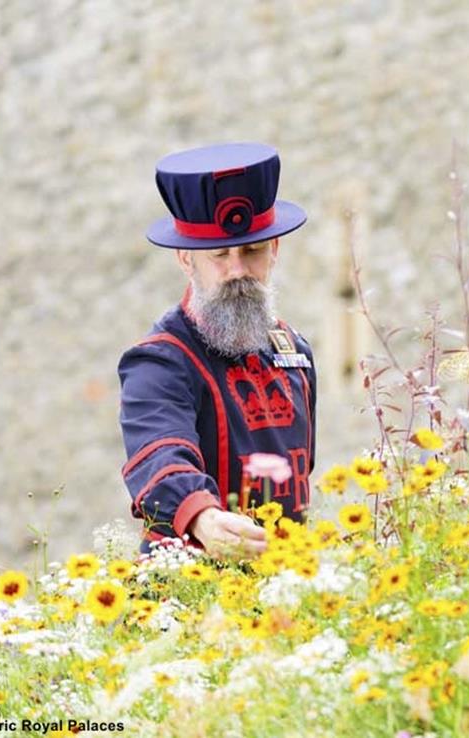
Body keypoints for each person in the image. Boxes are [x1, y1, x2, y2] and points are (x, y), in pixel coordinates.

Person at [117, 142, 316, 560]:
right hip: (189, 591)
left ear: (274, 251)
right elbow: (158, 454)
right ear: (185, 260)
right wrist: (203, 518)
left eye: (252, 251)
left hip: (285, 586)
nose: (238, 270)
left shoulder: (295, 351)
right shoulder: (158, 362)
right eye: (220, 255)